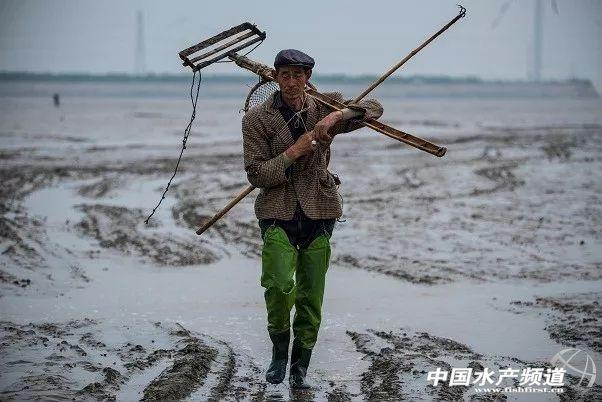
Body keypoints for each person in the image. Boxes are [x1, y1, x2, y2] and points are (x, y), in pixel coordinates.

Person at [241, 49, 383, 389]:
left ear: (307, 77)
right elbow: (257, 175)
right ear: (275, 77)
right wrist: (294, 152)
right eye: (285, 75)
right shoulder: (256, 119)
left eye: (299, 75)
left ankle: (300, 366)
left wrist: (335, 118)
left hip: (321, 211)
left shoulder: (323, 104)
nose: (292, 82)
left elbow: (375, 109)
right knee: (277, 285)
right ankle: (279, 355)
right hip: (277, 212)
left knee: (310, 295)